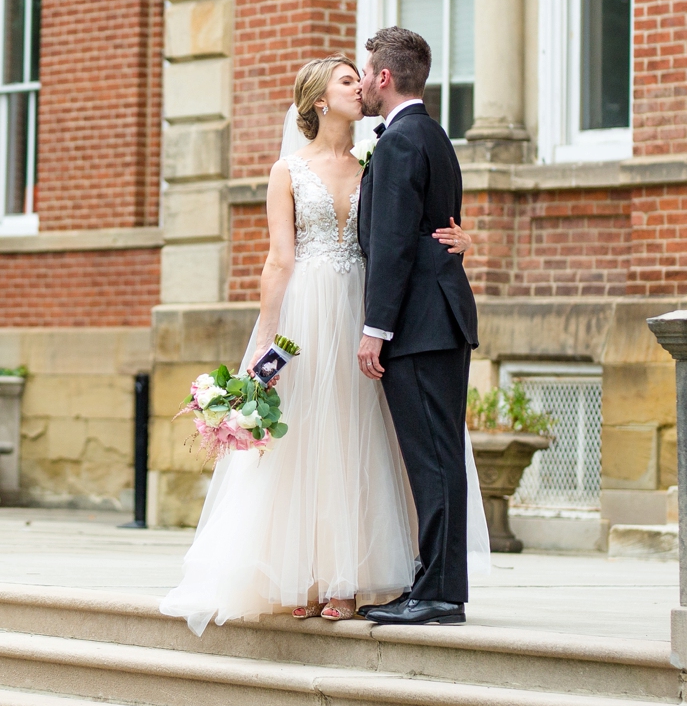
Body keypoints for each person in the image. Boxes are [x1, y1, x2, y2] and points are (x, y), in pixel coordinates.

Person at [159, 55, 480, 634]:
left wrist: (458, 240)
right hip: (308, 308)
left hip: (366, 306)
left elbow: (408, 224)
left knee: (361, 435)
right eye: (347, 81)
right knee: (309, 433)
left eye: (362, 78)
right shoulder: (287, 170)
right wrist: (266, 341)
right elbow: (279, 257)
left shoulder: (374, 158)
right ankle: (305, 574)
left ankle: (355, 574)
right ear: (317, 101)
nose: (361, 87)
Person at [355, 26, 482, 627]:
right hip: (436, 317)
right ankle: (434, 584)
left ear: (384, 77)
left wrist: (376, 327)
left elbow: (396, 244)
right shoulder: (430, 133)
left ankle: (438, 592)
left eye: (367, 70)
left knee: (432, 460)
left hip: (420, 325)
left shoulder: (402, 141)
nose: (364, 79)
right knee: (437, 458)